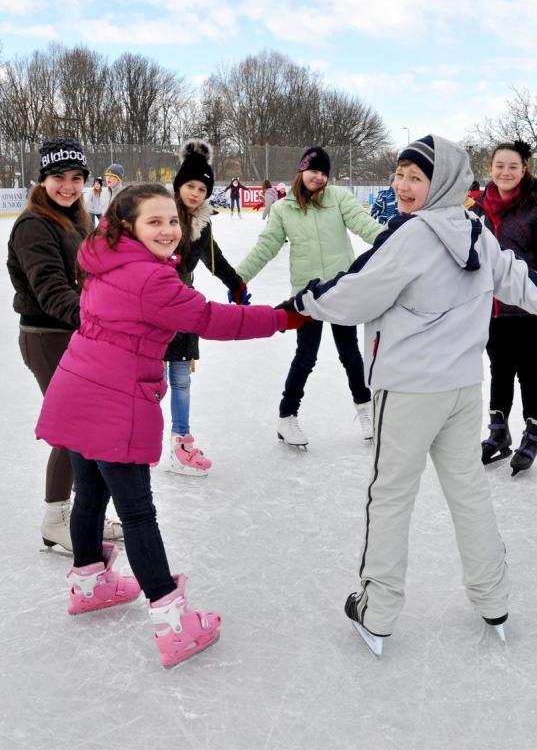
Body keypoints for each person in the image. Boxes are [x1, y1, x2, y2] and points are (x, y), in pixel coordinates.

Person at [280, 135, 537, 655]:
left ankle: (377, 611)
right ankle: (493, 599)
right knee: (469, 492)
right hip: (459, 388)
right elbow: (519, 279)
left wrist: (305, 299)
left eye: (416, 177)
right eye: (400, 174)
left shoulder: (410, 236)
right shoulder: (475, 229)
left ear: (443, 182)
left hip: (407, 390)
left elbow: (356, 293)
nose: (402, 186)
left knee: (389, 497)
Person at [34, 182, 304, 667]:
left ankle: (90, 583)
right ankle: (172, 621)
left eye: (173, 221)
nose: (168, 230)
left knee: (91, 496)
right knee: (138, 514)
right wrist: (282, 317)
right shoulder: (151, 279)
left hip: (77, 386)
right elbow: (213, 319)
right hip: (113, 399)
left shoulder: (103, 259)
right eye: (154, 221)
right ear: (128, 227)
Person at [7, 137, 122, 552]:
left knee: (84, 427)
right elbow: (52, 290)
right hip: (46, 337)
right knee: (72, 429)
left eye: (76, 178)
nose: (68, 186)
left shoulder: (75, 219)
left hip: (75, 334)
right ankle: (57, 518)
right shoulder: (34, 225)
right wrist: (103, 320)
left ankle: (80, 511)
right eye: (58, 177)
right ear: (42, 180)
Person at [235, 146, 385, 446]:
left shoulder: (339, 198)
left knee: (351, 355)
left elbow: (363, 224)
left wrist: (393, 240)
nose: (318, 177)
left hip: (341, 291)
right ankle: (287, 417)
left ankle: (365, 409)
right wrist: (238, 278)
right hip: (307, 296)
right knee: (306, 357)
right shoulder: (282, 209)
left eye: (323, 172)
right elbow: (266, 247)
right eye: (313, 170)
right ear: (301, 171)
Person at [470, 140, 537, 475]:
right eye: (500, 166)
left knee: (530, 368)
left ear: (524, 170)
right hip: (489, 307)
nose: (505, 172)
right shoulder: (475, 211)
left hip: (529, 305)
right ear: (491, 168)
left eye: (513, 167)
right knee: (499, 368)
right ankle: (498, 433)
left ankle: (533, 432)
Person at [164, 140, 250, 476]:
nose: (196, 193)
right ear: (178, 186)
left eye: (202, 188)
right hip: (152, 305)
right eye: (190, 186)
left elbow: (215, 260)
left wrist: (237, 284)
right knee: (150, 380)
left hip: (184, 305)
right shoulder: (159, 214)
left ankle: (179, 443)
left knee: (182, 379)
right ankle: (135, 439)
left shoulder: (203, 223)